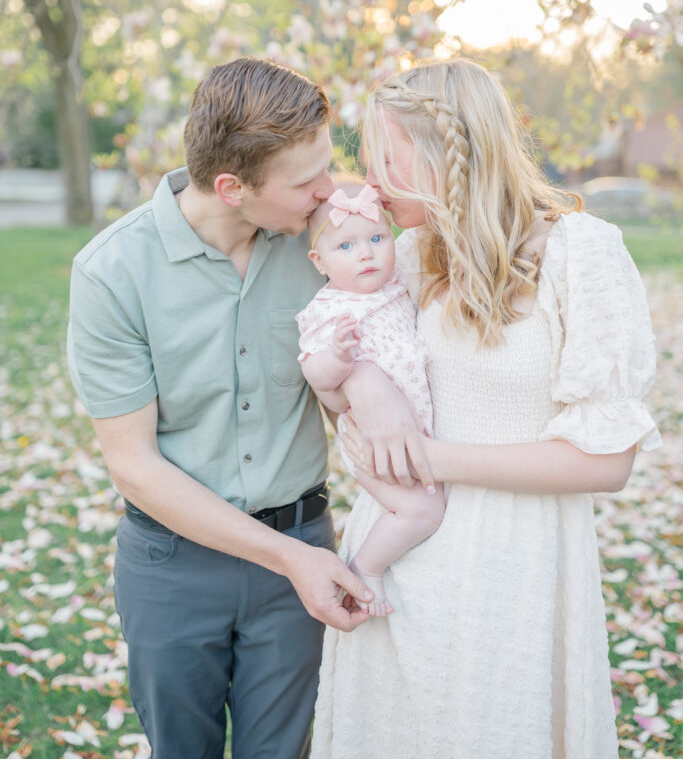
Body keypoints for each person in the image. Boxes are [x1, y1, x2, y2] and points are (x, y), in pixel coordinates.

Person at [311, 58, 661, 759]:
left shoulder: (578, 253)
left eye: (385, 158)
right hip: (399, 553)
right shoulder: (408, 257)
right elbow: (340, 363)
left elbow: (607, 460)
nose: (370, 183)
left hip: (517, 562)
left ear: (444, 152)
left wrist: (433, 458)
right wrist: (365, 394)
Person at [67, 57, 383, 759]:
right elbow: (134, 465)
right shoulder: (112, 272)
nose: (328, 191)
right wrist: (286, 559)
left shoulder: (321, 244)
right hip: (172, 565)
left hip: (301, 539)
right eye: (306, 182)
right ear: (233, 187)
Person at [296, 180, 445, 616]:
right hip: (372, 441)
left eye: (377, 239)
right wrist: (340, 358)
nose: (366, 254)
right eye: (346, 246)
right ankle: (366, 568)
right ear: (319, 261)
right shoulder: (329, 311)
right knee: (424, 511)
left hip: (412, 427)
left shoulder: (396, 285)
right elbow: (313, 372)